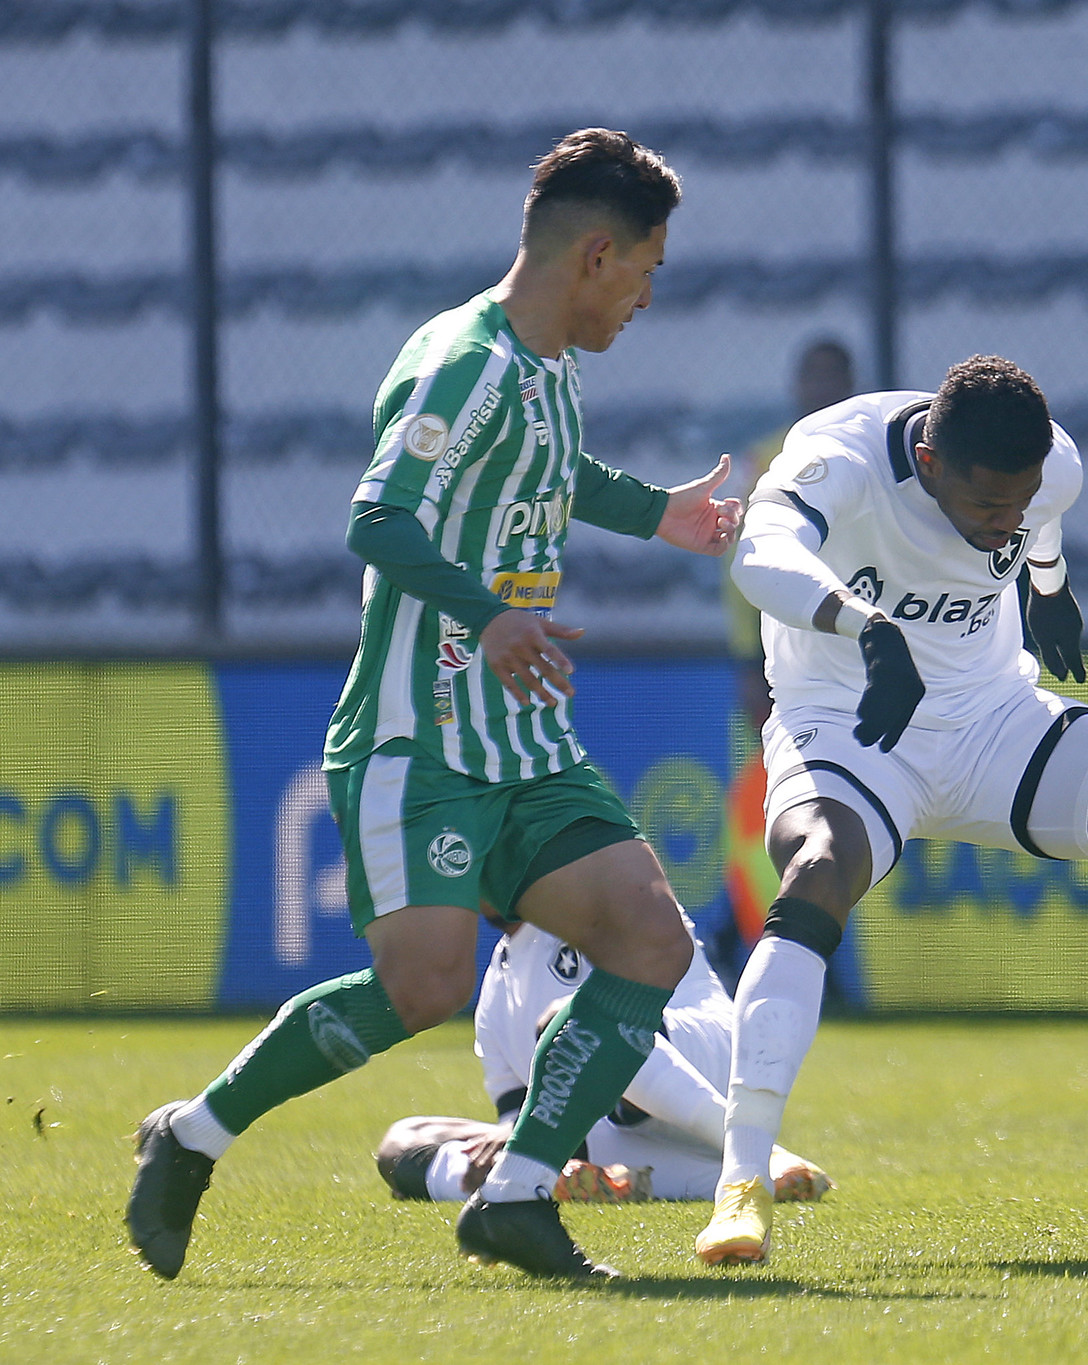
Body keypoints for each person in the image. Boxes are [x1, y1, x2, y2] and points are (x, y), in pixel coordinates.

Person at [126, 128, 743, 1282]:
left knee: (650, 940)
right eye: (648, 271)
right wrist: (489, 616)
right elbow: (377, 517)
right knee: (420, 989)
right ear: (597, 255)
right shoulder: (461, 360)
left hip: (526, 743)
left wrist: (659, 513)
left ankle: (515, 1194)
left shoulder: (549, 367)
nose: (648, 300)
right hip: (422, 739)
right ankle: (193, 1134)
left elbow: (551, 476)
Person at [693, 355, 1088, 1264]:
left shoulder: (1046, 466)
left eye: (1020, 504)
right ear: (933, 458)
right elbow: (759, 552)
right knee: (820, 870)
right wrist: (864, 625)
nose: (1007, 524)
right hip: (851, 724)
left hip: (994, 720)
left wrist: (1050, 586)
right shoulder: (840, 455)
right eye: (990, 506)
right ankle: (741, 1183)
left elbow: (1045, 515)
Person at [373, 913, 831, 1207]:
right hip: (605, 1125)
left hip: (703, 1057)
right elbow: (521, 1110)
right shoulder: (494, 990)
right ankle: (626, 1181)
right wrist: (506, 1140)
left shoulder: (594, 902)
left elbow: (616, 1013)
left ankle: (758, 1153)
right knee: (402, 1143)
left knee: (570, 1022)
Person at [718, 340, 860, 974]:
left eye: (834, 378)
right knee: (783, 798)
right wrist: (750, 659)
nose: (823, 388)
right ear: (797, 385)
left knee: (841, 801)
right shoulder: (766, 458)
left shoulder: (871, 452)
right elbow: (740, 566)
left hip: (854, 657)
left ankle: (792, 943)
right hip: (784, 663)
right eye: (814, 376)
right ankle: (765, 937)